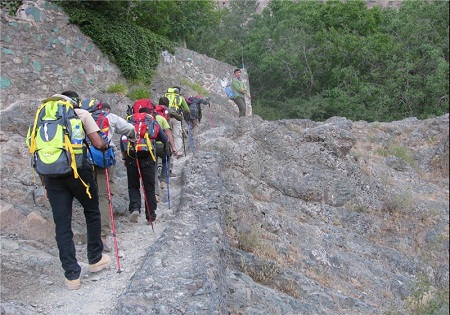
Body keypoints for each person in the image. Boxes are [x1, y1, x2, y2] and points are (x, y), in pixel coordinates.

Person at [42, 91, 111, 290]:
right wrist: (106, 145)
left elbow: (37, 152)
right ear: (74, 101)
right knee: (92, 211)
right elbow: (98, 143)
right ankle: (95, 258)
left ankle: (72, 276)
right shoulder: (80, 113)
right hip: (78, 172)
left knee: (62, 224)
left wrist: (45, 184)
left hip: (52, 175)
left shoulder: (42, 117)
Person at [92, 102, 136, 252]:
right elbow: (130, 128)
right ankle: (103, 236)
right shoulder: (109, 117)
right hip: (103, 159)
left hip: (83, 160)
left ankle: (91, 233)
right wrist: (133, 138)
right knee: (104, 196)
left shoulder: (82, 116)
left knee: (89, 195)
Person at [121, 107, 168, 224]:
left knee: (133, 185)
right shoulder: (152, 121)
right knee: (149, 186)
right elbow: (164, 139)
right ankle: (150, 215)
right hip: (148, 157)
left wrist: (124, 158)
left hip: (132, 156)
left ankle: (135, 208)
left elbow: (122, 140)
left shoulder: (130, 121)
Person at [154, 99, 178, 190]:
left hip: (151, 145)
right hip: (163, 145)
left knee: (154, 164)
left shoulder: (149, 119)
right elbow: (168, 133)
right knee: (166, 160)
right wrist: (173, 147)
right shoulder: (162, 118)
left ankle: (155, 184)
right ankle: (163, 180)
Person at [164, 86, 190, 160]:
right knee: (177, 134)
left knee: (168, 134)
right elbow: (187, 109)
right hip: (176, 117)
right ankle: (177, 152)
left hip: (166, 117)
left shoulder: (166, 96)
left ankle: (169, 150)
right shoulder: (180, 98)